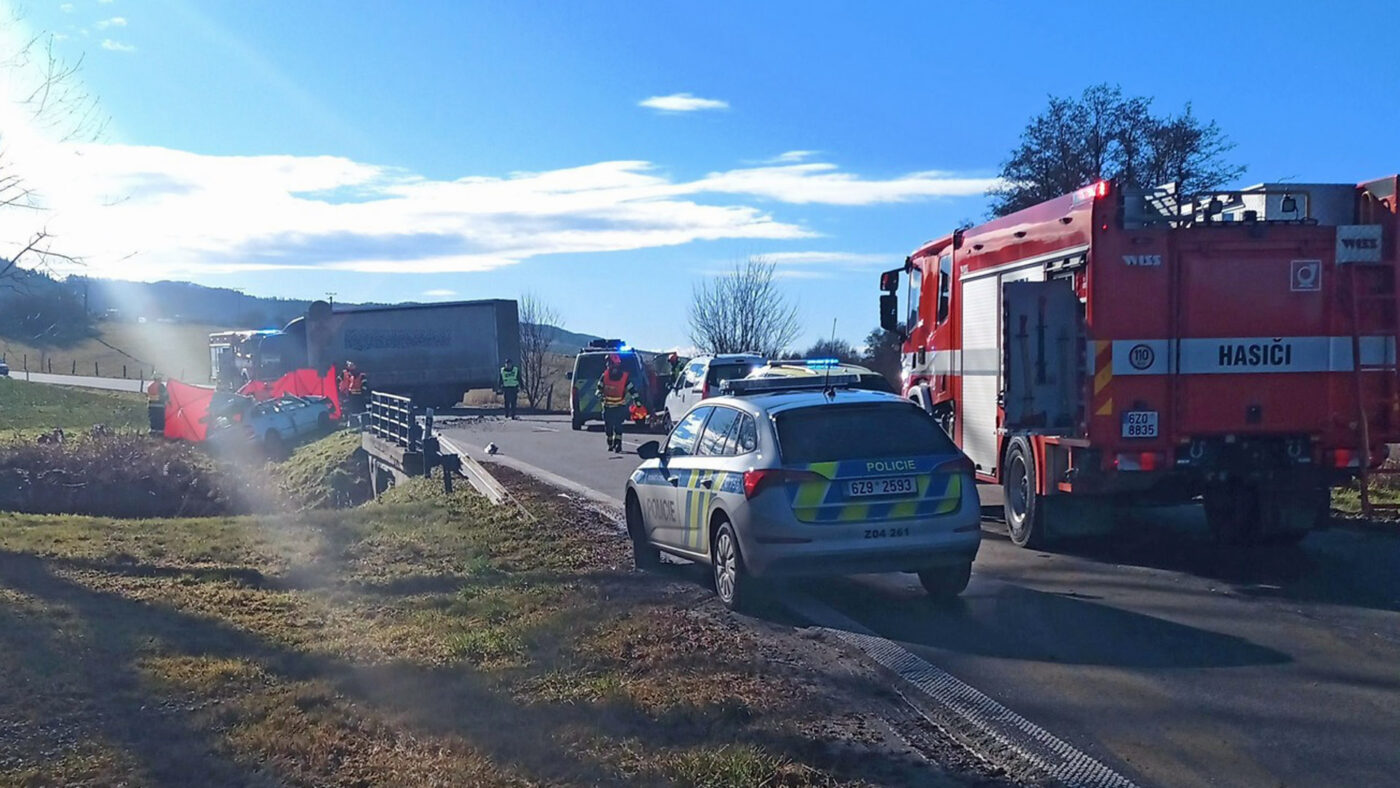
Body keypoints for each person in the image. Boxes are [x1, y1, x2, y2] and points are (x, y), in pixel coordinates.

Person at [596, 353, 640, 454]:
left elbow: (632, 390)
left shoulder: (624, 378)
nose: (608, 365)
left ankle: (618, 443)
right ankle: (610, 442)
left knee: (618, 426)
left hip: (619, 407)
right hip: (607, 407)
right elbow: (598, 389)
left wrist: (637, 401)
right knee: (609, 427)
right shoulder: (604, 376)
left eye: (610, 363)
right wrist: (600, 395)